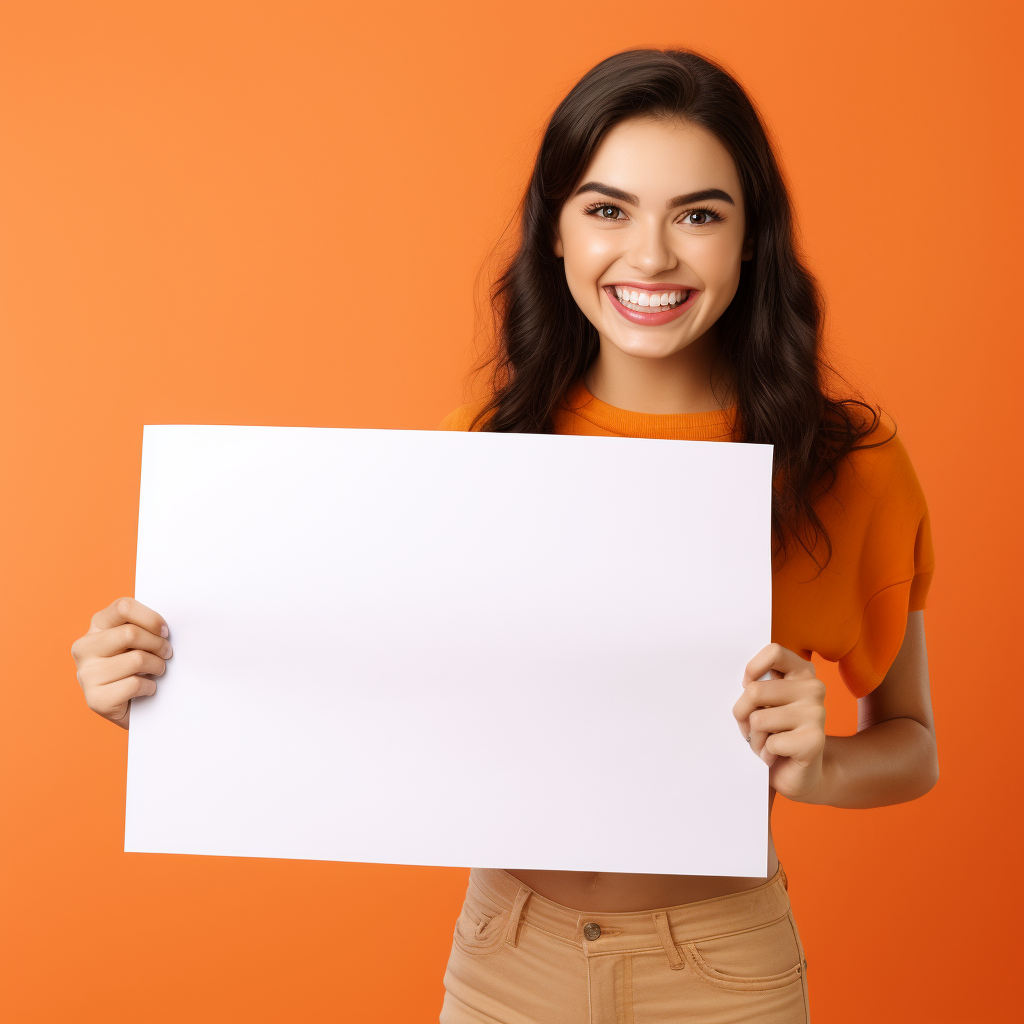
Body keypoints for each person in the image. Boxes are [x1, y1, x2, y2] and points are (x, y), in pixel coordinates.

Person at [71, 48, 938, 1024]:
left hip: (722, 964)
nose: (650, 256)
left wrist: (820, 771)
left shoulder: (846, 464)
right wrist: (166, 696)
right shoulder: (484, 450)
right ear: (555, 234)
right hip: (505, 956)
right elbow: (371, 689)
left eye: (697, 214)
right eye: (607, 209)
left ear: (751, 240)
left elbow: (912, 742)